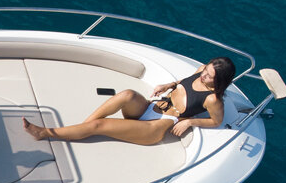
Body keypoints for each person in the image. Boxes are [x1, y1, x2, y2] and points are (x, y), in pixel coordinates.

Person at [23, 57, 236, 145]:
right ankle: (82, 128)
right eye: (206, 70)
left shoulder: (213, 99)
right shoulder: (200, 71)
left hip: (156, 127)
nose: (203, 76)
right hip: (152, 107)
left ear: (219, 81)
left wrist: (190, 121)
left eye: (209, 76)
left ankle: (44, 133)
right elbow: (184, 82)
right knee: (127, 94)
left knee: (101, 126)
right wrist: (169, 85)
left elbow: (216, 121)